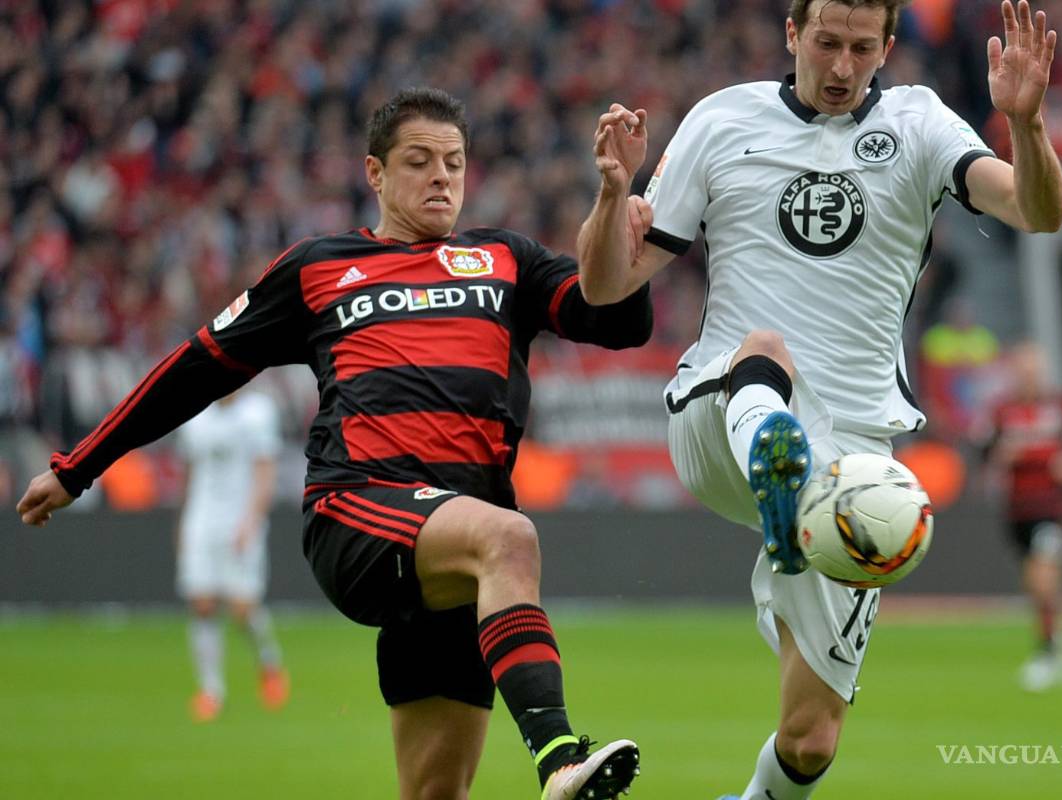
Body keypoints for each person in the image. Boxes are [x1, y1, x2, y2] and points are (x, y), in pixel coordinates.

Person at [18, 88, 649, 800]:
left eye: (454, 162)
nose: (442, 177)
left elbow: (615, 321)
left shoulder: (506, 260)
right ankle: (560, 758)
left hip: (454, 549)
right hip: (356, 511)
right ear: (375, 174)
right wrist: (80, 466)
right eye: (419, 162)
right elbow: (193, 370)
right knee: (511, 540)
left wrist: (615, 195)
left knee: (435, 791)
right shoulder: (320, 267)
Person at [577, 1, 1062, 797]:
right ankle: (778, 465)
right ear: (792, 34)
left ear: (888, 46)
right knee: (766, 352)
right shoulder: (721, 120)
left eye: (862, 48)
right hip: (719, 414)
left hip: (854, 466)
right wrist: (611, 194)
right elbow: (603, 286)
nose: (842, 67)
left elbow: (1039, 211)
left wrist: (1029, 123)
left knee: (810, 741)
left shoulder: (919, 124)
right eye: (828, 44)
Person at [175, 388, 290, 721]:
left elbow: (265, 470)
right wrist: (183, 523)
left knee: (242, 609)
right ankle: (211, 691)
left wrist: (253, 519)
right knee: (202, 603)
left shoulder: (258, 412)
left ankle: (269, 663)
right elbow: (189, 474)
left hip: (240, 519)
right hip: (201, 519)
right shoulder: (195, 416)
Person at [981, 342, 1062, 692]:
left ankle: (1048, 653)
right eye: (1022, 369)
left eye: (1034, 369)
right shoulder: (1001, 411)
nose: (1029, 376)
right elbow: (985, 454)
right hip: (1017, 509)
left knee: (1043, 577)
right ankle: (1056, 629)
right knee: (1035, 583)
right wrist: (1001, 456)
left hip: (1051, 509)